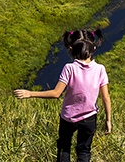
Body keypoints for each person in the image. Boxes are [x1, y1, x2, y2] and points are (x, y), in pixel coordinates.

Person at [13, 29, 112, 162]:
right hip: (90, 118)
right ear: (93, 48)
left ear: (71, 49)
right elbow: (106, 97)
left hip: (68, 118)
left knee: (64, 148)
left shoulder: (69, 68)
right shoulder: (100, 69)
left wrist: (30, 93)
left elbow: (56, 93)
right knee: (84, 151)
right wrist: (108, 120)